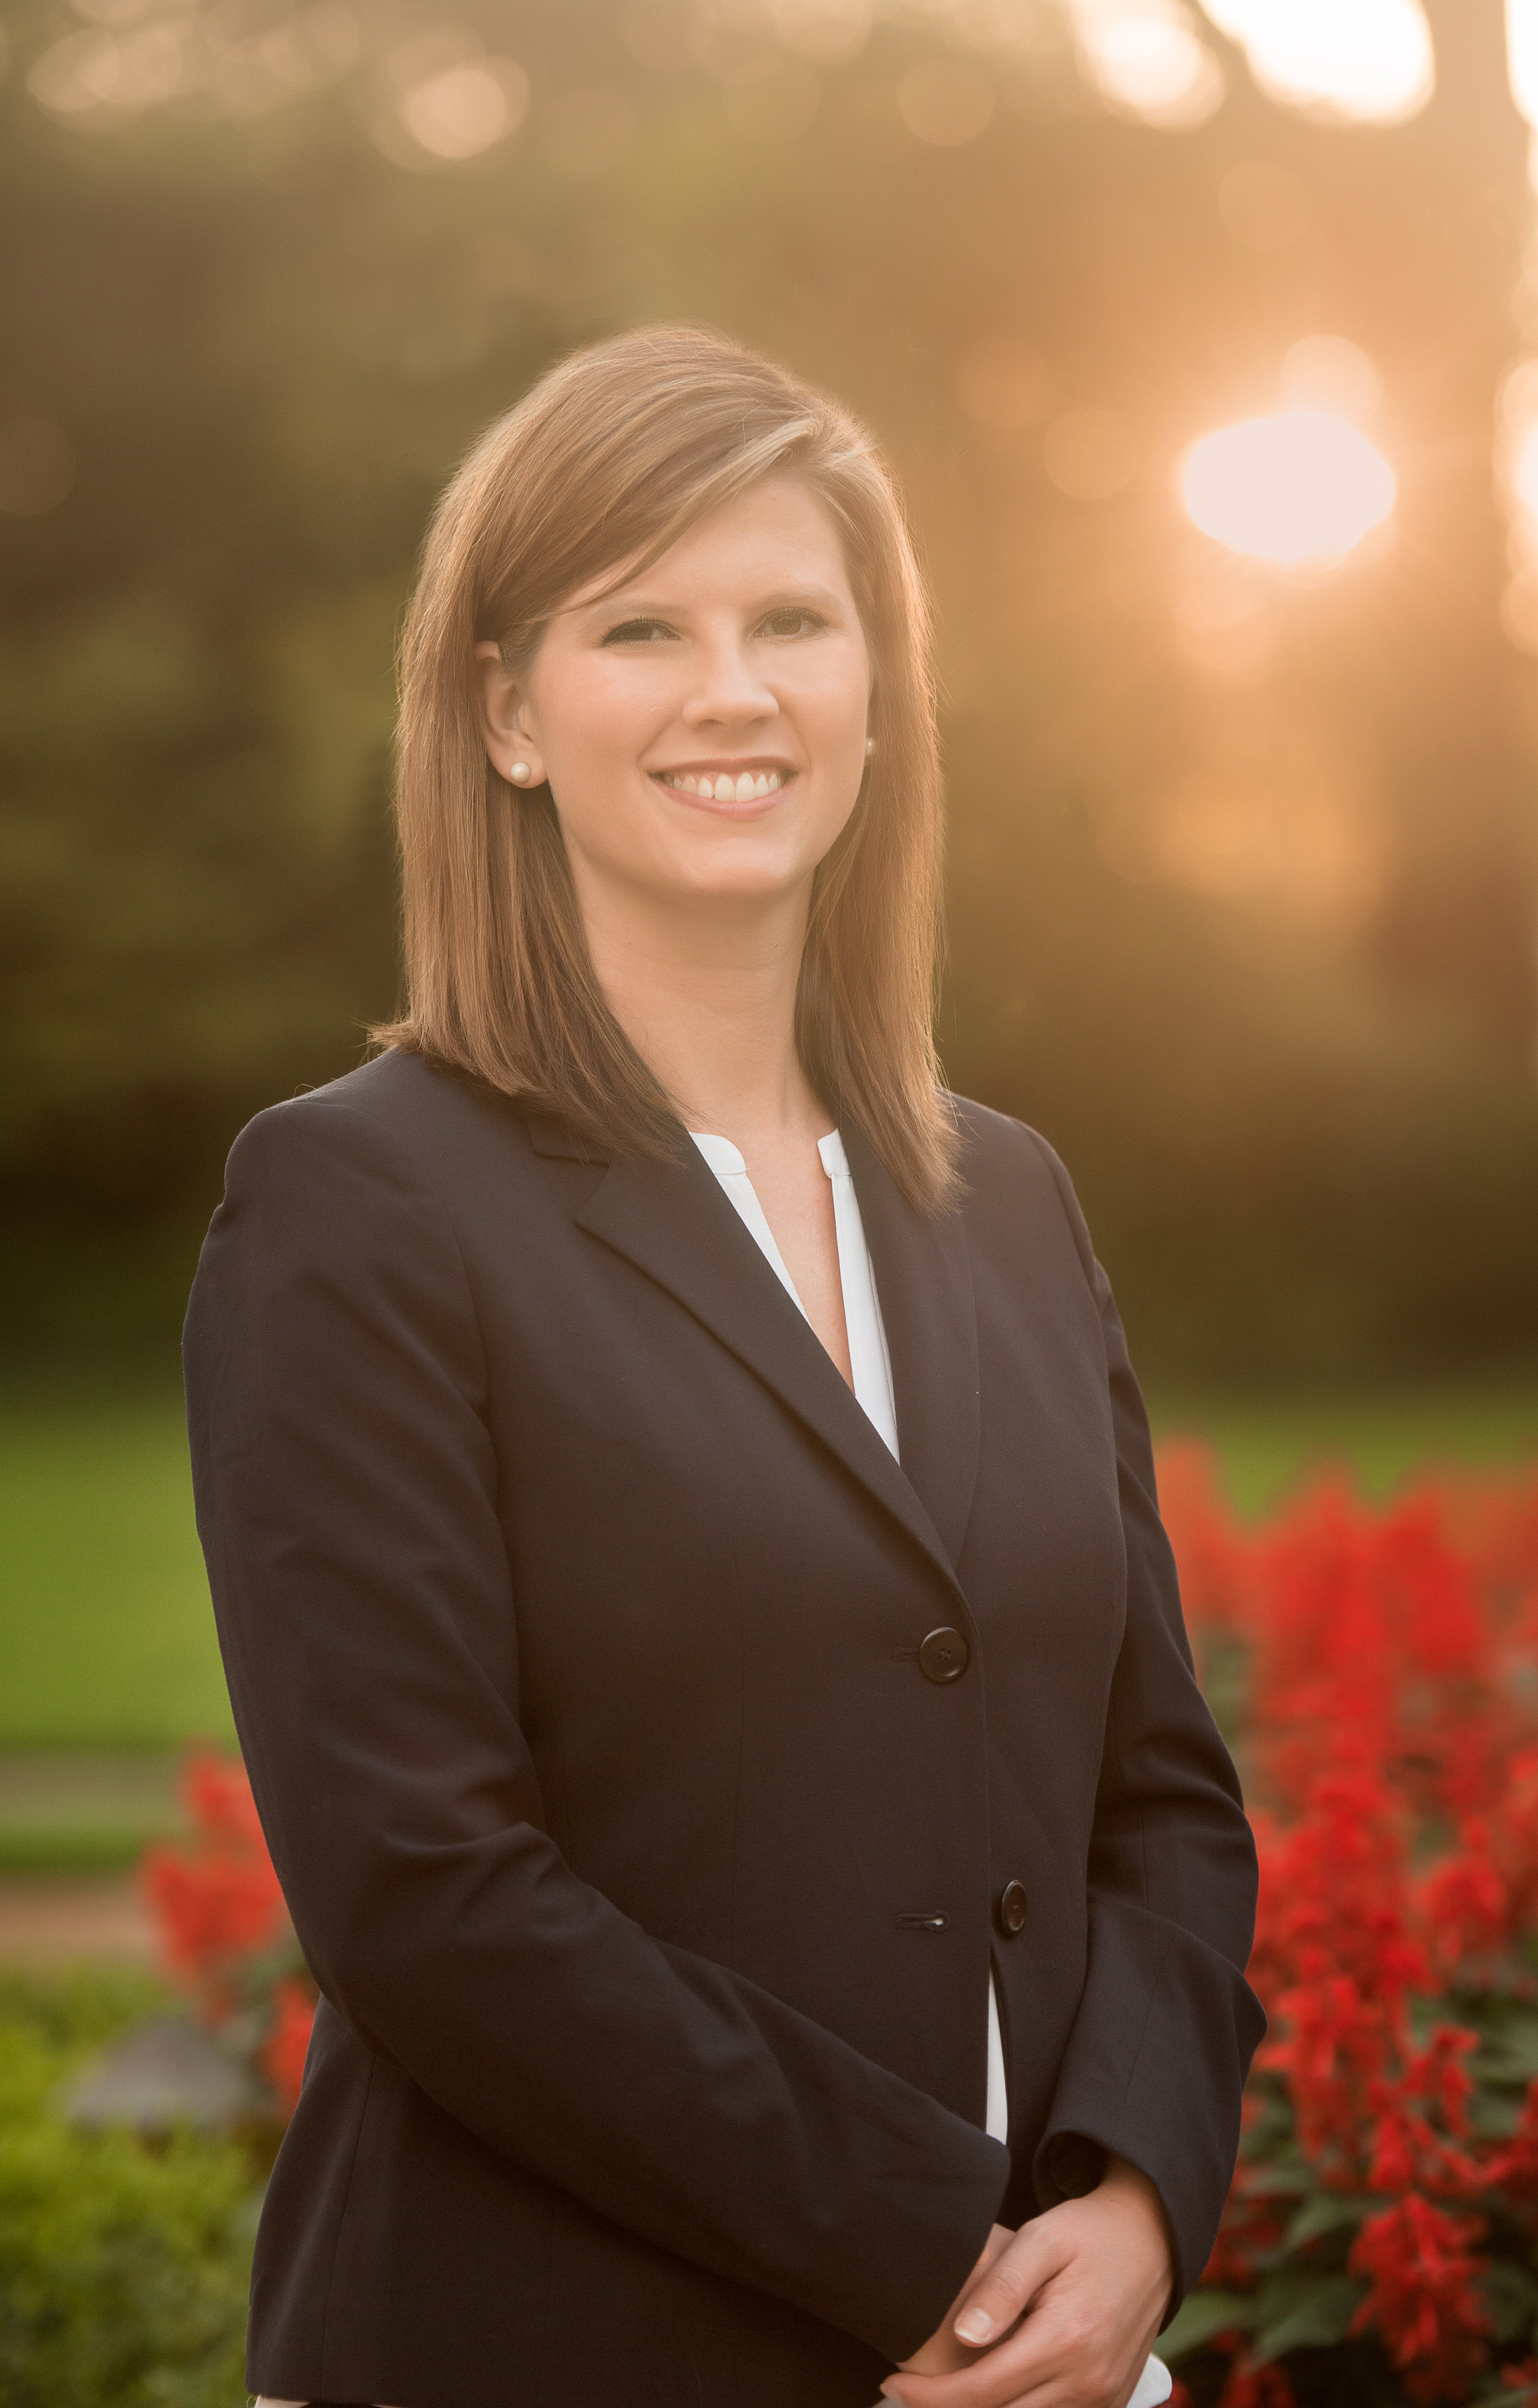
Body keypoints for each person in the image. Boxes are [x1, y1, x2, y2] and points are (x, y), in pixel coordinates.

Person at [185, 326, 1263, 2408]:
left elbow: (1155, 1786)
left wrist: (1131, 2197)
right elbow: (426, 1890)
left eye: (792, 618)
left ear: (874, 693)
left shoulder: (1006, 1197)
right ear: (506, 712)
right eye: (639, 626)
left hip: (1043, 2360)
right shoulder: (357, 1203)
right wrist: (919, 2249)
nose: (734, 689)